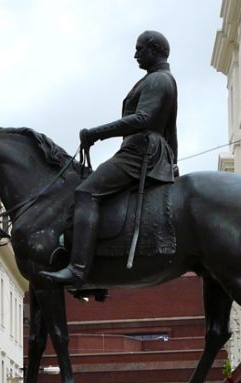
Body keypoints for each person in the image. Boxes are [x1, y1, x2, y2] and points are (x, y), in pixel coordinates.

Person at [39, 30, 178, 287]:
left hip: (141, 151)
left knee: (86, 192)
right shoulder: (158, 79)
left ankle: (78, 269)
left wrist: (96, 133)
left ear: (154, 49)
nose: (135, 55)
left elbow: (143, 119)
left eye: (139, 49)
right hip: (146, 149)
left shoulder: (158, 80)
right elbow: (169, 130)